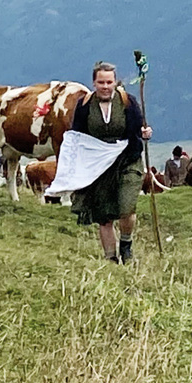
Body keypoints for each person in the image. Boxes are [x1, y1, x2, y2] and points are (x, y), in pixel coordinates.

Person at [70, 61, 152, 264]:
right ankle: (110, 258)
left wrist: (145, 133)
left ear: (115, 82)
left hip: (127, 161)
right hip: (99, 166)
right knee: (104, 215)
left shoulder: (128, 102)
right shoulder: (84, 106)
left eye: (109, 82)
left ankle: (126, 244)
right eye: (101, 82)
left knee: (127, 207)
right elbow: (76, 137)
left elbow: (139, 128)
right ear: (94, 83)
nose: (105, 86)